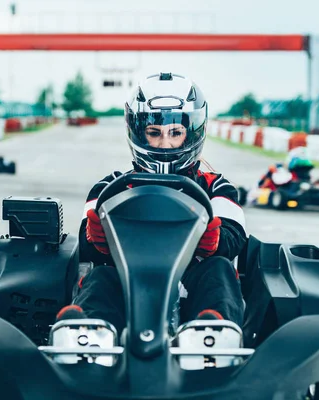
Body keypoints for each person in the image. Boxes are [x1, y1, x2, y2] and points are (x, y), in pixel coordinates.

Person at [56, 73, 247, 335]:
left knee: (220, 269)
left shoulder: (216, 186)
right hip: (128, 282)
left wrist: (215, 240)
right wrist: (95, 237)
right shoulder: (111, 186)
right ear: (138, 133)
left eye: (175, 133)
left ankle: (212, 332)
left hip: (192, 284)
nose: (164, 143)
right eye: (154, 132)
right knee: (100, 276)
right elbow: (85, 246)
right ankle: (89, 333)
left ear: (192, 133)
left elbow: (235, 236)